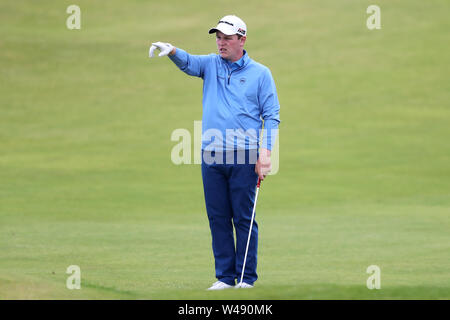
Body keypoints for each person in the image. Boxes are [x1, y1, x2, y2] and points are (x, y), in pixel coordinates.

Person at [149, 15, 280, 290]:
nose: (221, 43)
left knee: (243, 218)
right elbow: (188, 62)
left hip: (244, 154)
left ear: (242, 40)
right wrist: (172, 50)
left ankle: (246, 278)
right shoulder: (211, 64)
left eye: (227, 38)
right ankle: (224, 277)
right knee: (218, 217)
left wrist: (265, 153)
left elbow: (272, 115)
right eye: (218, 37)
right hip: (211, 155)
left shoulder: (260, 74)